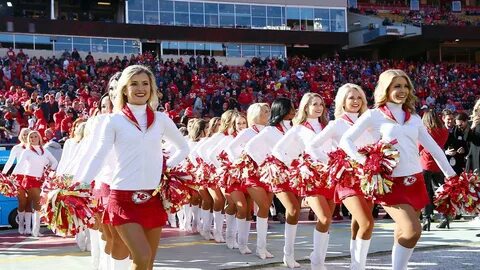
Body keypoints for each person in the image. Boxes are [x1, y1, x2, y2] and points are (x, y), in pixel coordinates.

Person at [339, 69, 456, 270]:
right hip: (390, 183)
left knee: (403, 231)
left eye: (405, 86)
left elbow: (434, 148)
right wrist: (364, 161)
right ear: (386, 89)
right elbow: (345, 140)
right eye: (396, 86)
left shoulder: (414, 118)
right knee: (413, 231)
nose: (402, 90)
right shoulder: (373, 115)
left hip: (415, 180)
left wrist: (451, 175)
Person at [77, 65, 189, 270]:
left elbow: (183, 148)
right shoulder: (113, 121)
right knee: (141, 255)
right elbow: (99, 155)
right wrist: (81, 184)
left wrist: (165, 168)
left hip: (153, 198)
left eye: (145, 84)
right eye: (134, 84)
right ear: (124, 90)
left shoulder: (162, 119)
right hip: (123, 199)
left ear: (152, 88)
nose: (141, 88)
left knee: (148, 262)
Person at [308, 83, 374, 269]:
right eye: (351, 97)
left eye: (359, 97)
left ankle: (355, 263)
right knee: (367, 223)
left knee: (359, 222)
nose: (355, 101)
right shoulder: (336, 124)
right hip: (347, 179)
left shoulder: (367, 121)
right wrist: (332, 163)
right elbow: (313, 146)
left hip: (369, 178)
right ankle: (353, 265)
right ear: (342, 101)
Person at [273, 93, 334, 269]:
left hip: (329, 177)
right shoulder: (298, 129)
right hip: (311, 178)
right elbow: (279, 150)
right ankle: (295, 256)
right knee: (323, 217)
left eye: (321, 104)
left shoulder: (328, 127)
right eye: (314, 104)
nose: (318, 107)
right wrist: (297, 164)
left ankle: (318, 257)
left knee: (327, 220)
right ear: (305, 107)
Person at [244, 97, 297, 267]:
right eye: (291, 108)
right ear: (282, 109)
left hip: (293, 175)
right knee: (268, 207)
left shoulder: (294, 128)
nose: (294, 110)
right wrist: (265, 164)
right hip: (274, 175)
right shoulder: (270, 130)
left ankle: (276, 250)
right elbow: (249, 148)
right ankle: (262, 247)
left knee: (285, 211)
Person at [226, 103, 270, 256]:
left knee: (251, 209)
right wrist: (239, 162)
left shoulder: (269, 131)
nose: (267, 113)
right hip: (245, 174)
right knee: (242, 207)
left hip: (264, 174)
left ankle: (256, 245)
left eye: (268, 111)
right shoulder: (247, 132)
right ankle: (237, 241)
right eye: (264, 111)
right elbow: (231, 148)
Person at [17, 130, 58, 237]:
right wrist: (12, 178)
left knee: (38, 205)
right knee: (37, 204)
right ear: (28, 139)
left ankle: (32, 229)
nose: (33, 138)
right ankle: (33, 230)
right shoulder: (26, 151)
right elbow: (19, 165)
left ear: (39, 138)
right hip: (30, 180)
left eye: (35, 136)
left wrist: (49, 171)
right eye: (31, 137)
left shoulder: (45, 151)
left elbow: (55, 162)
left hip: (42, 180)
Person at [419, 109, 449, 231]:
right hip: (439, 164)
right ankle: (444, 216)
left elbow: (419, 146)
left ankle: (426, 217)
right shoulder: (444, 131)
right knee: (440, 191)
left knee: (425, 192)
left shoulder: (425, 131)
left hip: (425, 163)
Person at [2, 128, 31, 234]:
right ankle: (21, 226)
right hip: (19, 177)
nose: (25, 136)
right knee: (22, 202)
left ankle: (28, 227)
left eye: (28, 134)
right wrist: (3, 174)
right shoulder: (17, 148)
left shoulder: (35, 148)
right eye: (24, 134)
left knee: (29, 203)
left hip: (31, 176)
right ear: (20, 135)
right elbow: (10, 161)